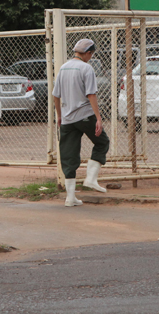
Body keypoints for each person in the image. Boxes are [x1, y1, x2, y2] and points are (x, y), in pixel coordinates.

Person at [52, 38, 110, 207]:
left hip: (67, 118)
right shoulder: (87, 68)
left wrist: (60, 115)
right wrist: (98, 118)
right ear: (88, 53)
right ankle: (91, 179)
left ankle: (70, 198)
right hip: (85, 116)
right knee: (102, 142)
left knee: (68, 155)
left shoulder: (63, 67)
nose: (90, 57)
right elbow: (91, 94)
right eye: (91, 54)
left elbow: (56, 95)